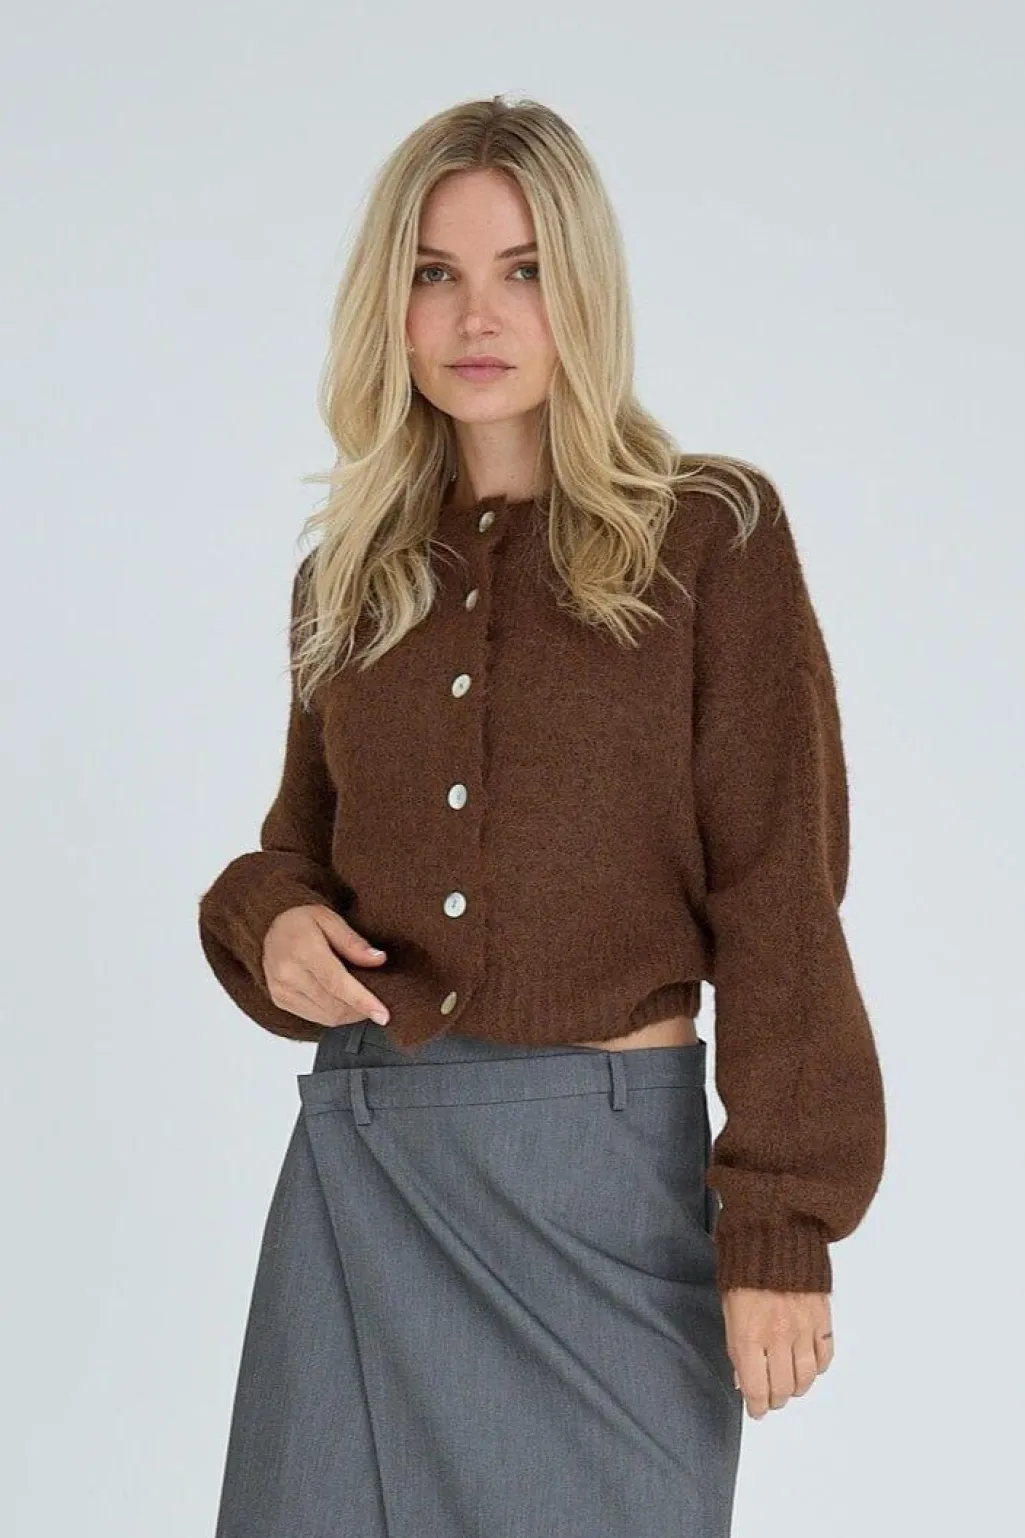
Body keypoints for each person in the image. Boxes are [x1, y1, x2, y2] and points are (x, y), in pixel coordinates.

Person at [198, 93, 886, 1538]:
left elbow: (780, 890)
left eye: (523, 269)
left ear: (585, 289)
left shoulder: (712, 536)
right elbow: (295, 851)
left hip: (605, 1185)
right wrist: (272, 926)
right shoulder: (346, 580)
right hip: (372, 1160)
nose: (477, 315)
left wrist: (780, 1217)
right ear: (389, 306)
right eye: (435, 272)